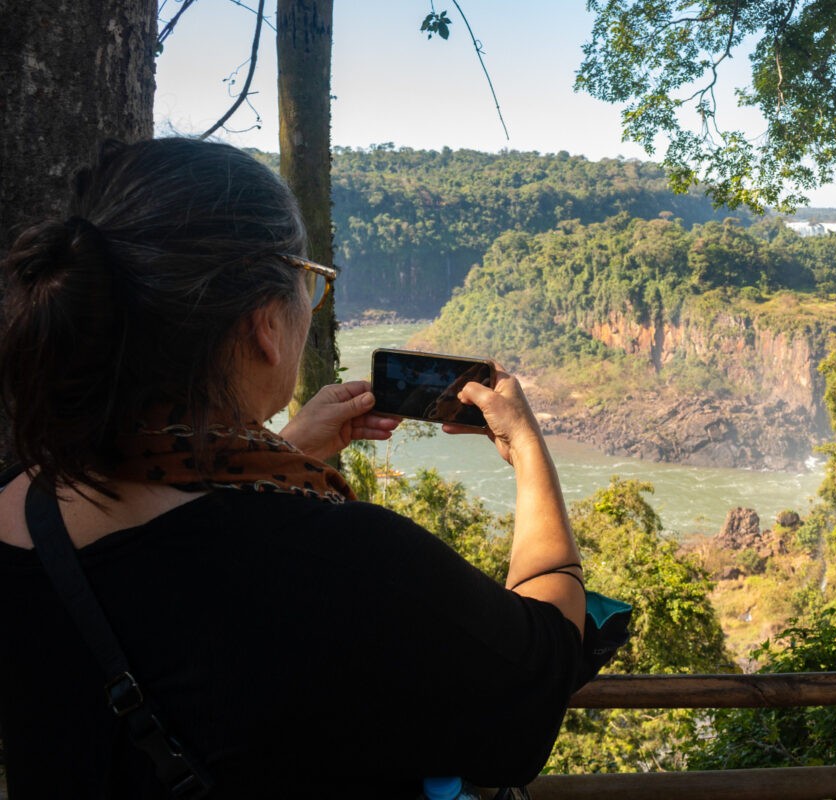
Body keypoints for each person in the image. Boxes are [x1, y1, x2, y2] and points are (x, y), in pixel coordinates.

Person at [0, 137, 586, 798]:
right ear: (264, 326)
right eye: (309, 281)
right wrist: (532, 456)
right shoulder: (344, 560)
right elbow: (538, 674)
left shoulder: (19, 502)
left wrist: (287, 449)